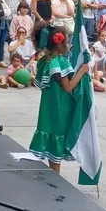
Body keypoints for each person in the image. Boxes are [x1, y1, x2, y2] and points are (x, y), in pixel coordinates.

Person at [29, 28, 90, 173]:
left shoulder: (46, 60)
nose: (69, 45)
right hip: (59, 109)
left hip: (49, 108)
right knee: (56, 143)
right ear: (59, 44)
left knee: (52, 142)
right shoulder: (59, 63)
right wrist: (82, 71)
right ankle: (56, 177)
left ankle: (54, 174)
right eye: (67, 42)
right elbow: (68, 87)